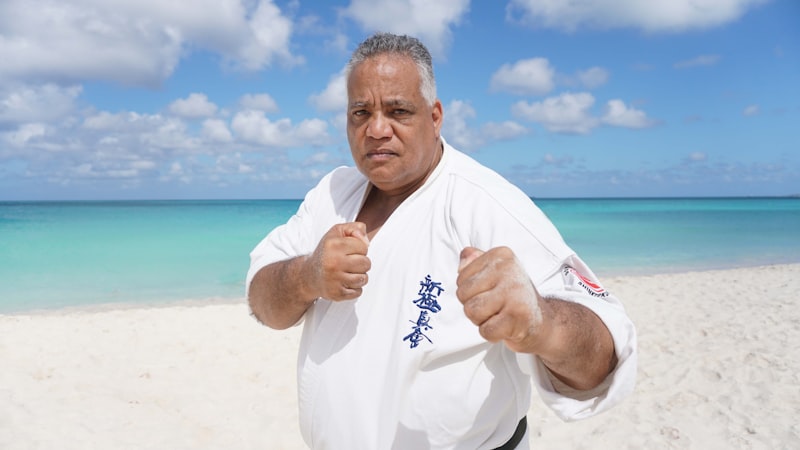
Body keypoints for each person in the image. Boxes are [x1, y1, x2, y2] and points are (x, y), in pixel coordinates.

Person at [246, 32, 636, 449]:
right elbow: (262, 304)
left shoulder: (484, 203)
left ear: (435, 117)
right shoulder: (331, 194)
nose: (377, 129)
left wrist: (540, 322)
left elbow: (605, 363)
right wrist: (307, 276)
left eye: (398, 110)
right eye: (361, 112)